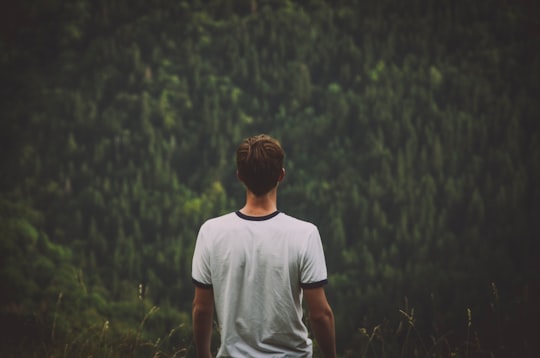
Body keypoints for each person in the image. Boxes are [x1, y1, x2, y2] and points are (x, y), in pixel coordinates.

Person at [191, 134, 336, 358]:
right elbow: (320, 314)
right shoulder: (305, 234)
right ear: (281, 175)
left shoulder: (211, 232)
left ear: (240, 176)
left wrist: (204, 355)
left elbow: (201, 309)